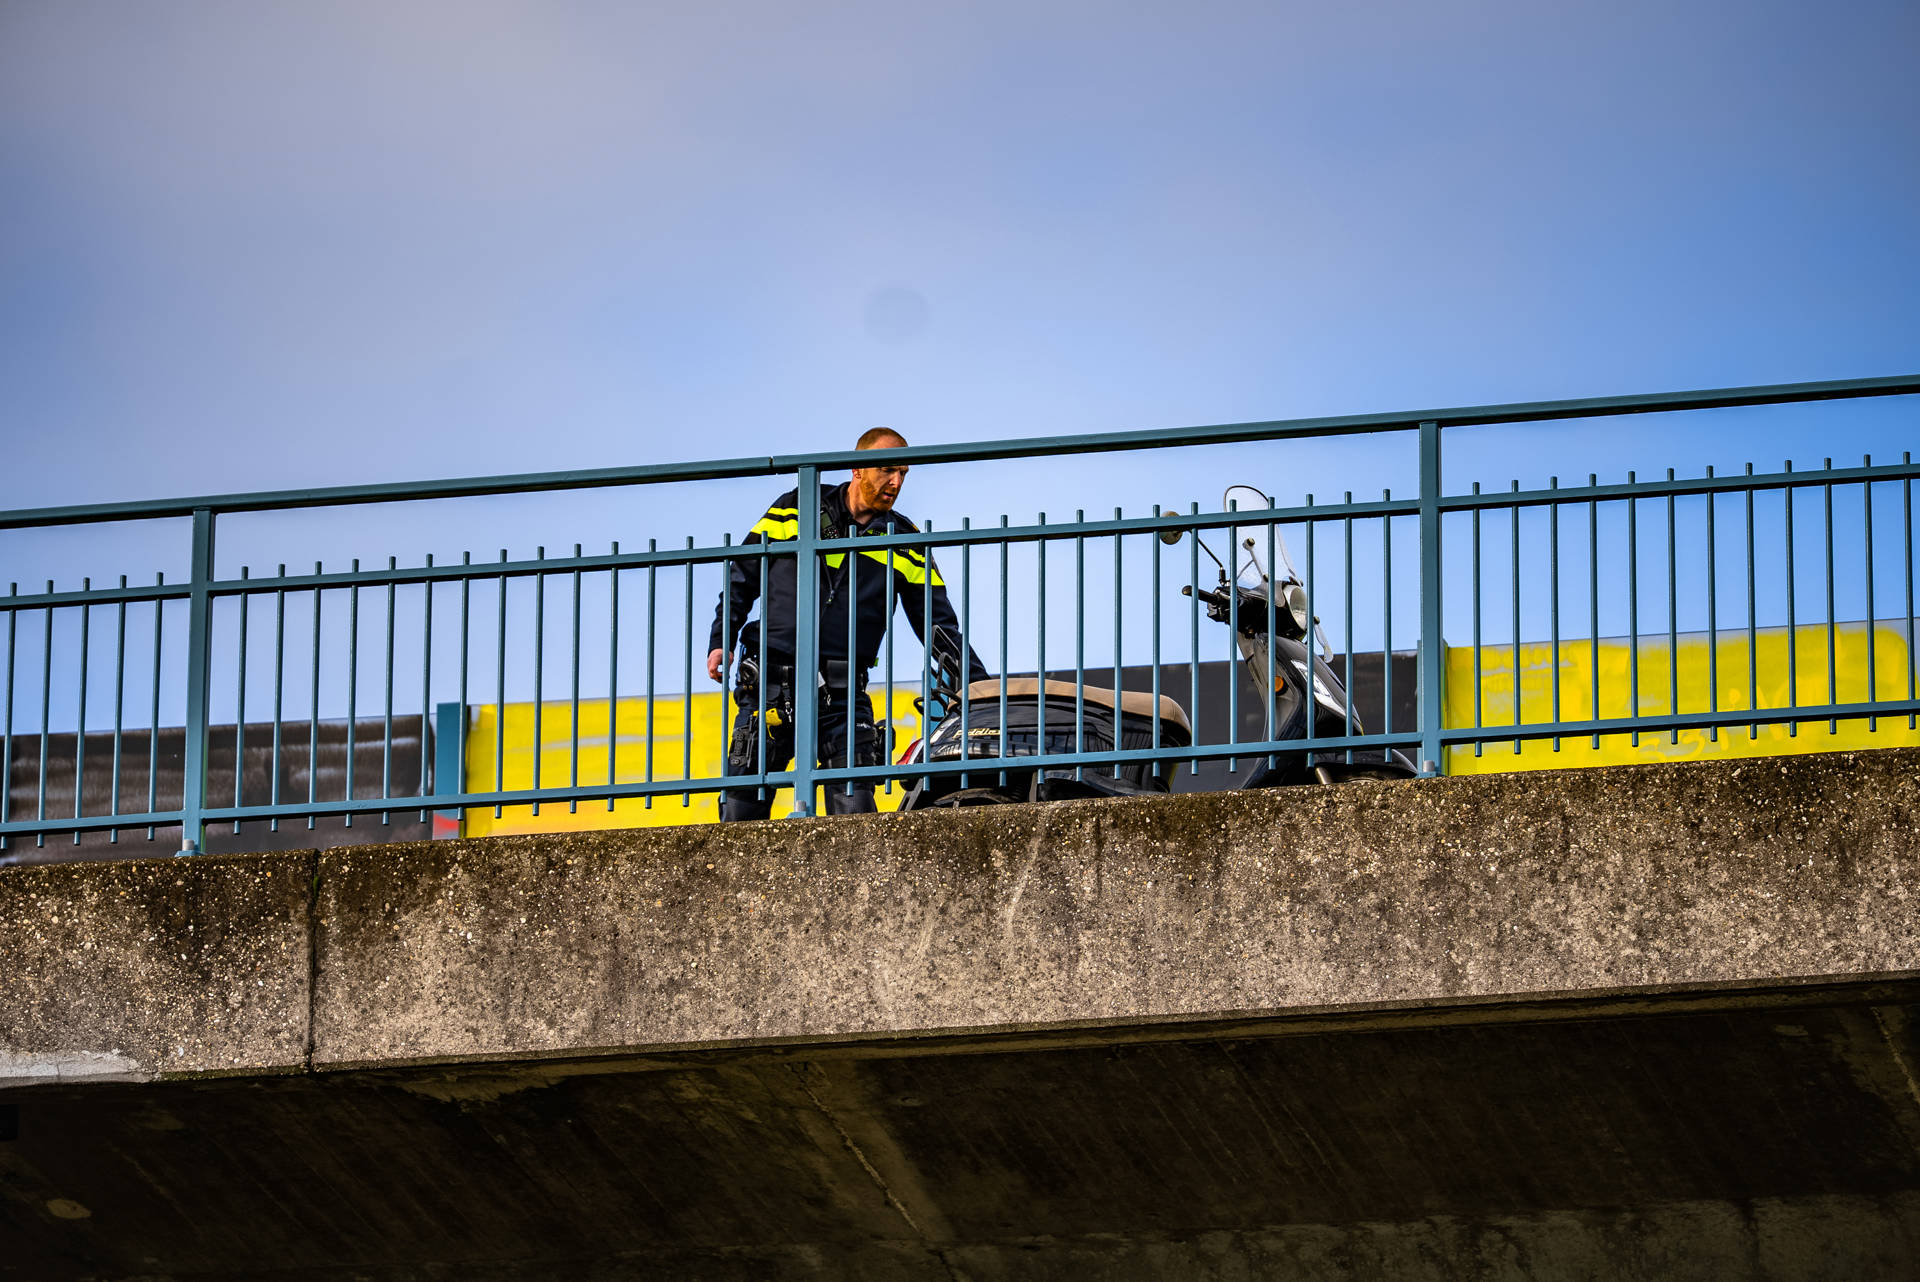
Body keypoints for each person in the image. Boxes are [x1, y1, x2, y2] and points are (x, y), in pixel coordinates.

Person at [707, 427, 985, 820]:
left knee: (856, 818)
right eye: (888, 470)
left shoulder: (905, 540)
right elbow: (742, 578)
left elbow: (939, 626)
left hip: (842, 696)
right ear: (857, 468)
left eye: (904, 473)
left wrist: (979, 686)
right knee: (739, 816)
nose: (896, 482)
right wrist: (722, 638)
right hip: (768, 686)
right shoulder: (794, 508)